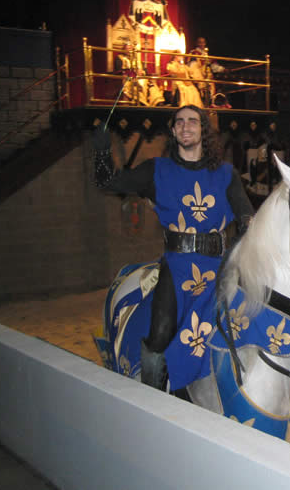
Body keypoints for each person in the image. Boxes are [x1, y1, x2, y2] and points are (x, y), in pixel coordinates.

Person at [92, 104, 254, 392]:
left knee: (251, 323)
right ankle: (153, 398)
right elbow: (107, 181)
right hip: (177, 266)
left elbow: (245, 215)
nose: (185, 126)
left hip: (218, 267)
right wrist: (103, 150)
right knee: (160, 333)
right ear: (173, 130)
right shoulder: (156, 170)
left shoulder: (226, 173)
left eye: (192, 121)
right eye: (179, 122)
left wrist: (247, 233)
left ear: (203, 129)